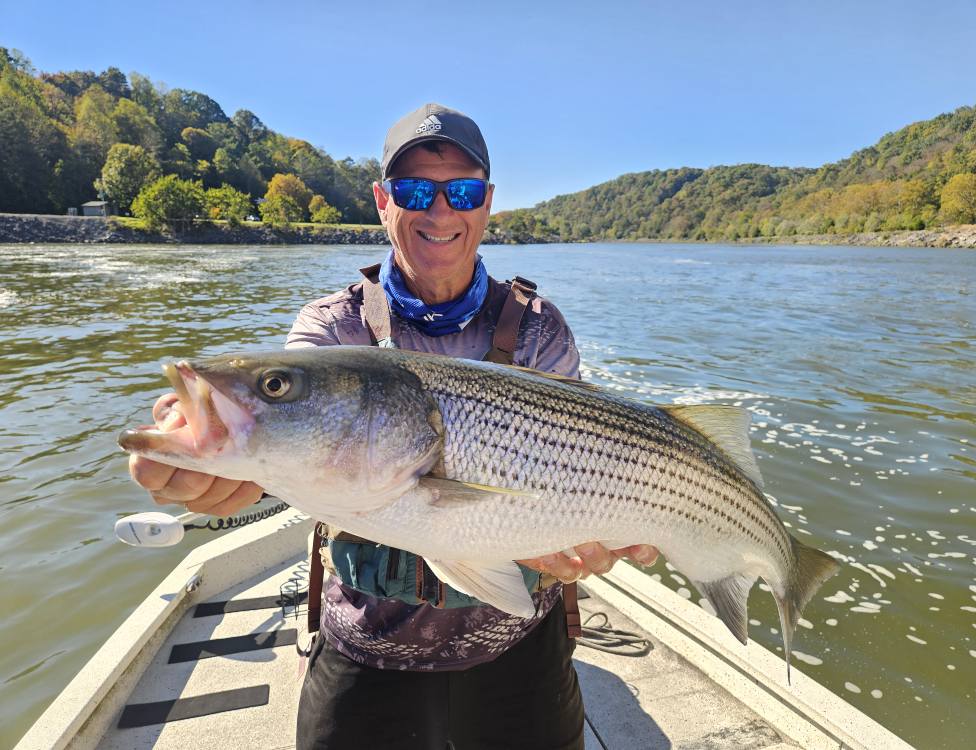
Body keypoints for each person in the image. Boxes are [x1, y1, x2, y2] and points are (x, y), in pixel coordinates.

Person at [129, 103, 658, 749]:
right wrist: (235, 474)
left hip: (517, 637)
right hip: (367, 641)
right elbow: (300, 450)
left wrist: (587, 541)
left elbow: (587, 456)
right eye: (413, 191)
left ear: (485, 203)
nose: (440, 211)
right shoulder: (331, 329)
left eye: (460, 190)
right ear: (383, 201)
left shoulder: (539, 325)